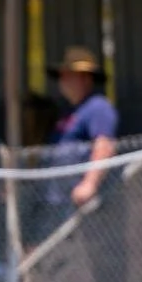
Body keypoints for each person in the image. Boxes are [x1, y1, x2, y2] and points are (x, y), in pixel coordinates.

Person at [48, 46, 118, 206]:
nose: (62, 81)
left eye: (68, 76)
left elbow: (104, 146)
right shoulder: (70, 112)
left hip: (82, 204)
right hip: (60, 199)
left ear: (85, 78)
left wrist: (89, 184)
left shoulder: (98, 107)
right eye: (61, 76)